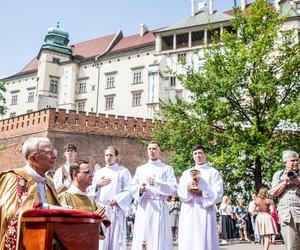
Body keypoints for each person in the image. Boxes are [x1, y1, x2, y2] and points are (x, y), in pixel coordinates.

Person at [0, 137, 60, 249]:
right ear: (33, 159)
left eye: (54, 151)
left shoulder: (49, 182)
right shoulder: (13, 178)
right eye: (49, 152)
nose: (54, 156)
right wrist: (45, 208)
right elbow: (9, 214)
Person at [130, 141, 177, 250]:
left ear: (159, 151)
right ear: (147, 151)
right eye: (149, 149)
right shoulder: (140, 169)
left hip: (159, 206)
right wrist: (140, 189)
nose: (152, 151)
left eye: (154, 149)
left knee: (158, 235)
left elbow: (173, 188)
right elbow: (133, 187)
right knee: (143, 234)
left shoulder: (166, 168)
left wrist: (157, 182)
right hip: (144, 206)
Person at [177, 144, 224, 250]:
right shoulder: (186, 173)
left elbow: (219, 193)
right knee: (189, 240)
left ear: (205, 155)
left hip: (204, 210)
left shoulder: (213, 172)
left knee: (205, 240)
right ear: (193, 156)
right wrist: (188, 188)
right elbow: (180, 191)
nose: (198, 155)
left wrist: (202, 192)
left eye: (200, 153)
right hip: (189, 210)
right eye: (195, 153)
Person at [90, 146, 132, 250]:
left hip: (116, 209)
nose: (108, 157)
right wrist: (97, 186)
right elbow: (89, 189)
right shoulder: (99, 173)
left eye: (111, 155)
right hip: (101, 210)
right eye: (106, 155)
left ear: (116, 157)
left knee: (115, 239)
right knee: (102, 240)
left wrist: (118, 199)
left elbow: (130, 189)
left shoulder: (123, 171)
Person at [58, 160, 109, 240]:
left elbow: (101, 235)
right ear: (75, 174)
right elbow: (63, 230)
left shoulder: (91, 201)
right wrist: (91, 219)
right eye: (87, 172)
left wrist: (97, 222)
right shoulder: (64, 198)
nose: (92, 175)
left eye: (92, 172)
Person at [270, 150, 300, 250]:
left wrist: (298, 182)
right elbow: (273, 193)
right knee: (292, 246)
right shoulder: (278, 175)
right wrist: (285, 182)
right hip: (288, 216)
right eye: (292, 160)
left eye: (297, 160)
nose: (296, 162)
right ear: (285, 162)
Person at [254, 186, 278, 250]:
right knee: (267, 236)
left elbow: (253, 210)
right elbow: (272, 210)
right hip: (266, 217)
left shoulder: (256, 200)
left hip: (259, 217)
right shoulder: (269, 200)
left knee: (263, 235)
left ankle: (265, 248)